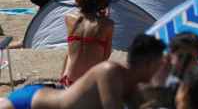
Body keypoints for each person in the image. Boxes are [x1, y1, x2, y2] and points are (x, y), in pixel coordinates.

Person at [0, 34, 167, 109]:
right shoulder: (110, 72)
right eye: (158, 65)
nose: (159, 71)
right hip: (29, 103)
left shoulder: (131, 84)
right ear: (147, 63)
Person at [60, 0, 114, 87]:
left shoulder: (69, 18)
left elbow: (70, 51)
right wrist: (104, 18)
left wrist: (62, 74)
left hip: (70, 78)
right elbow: (105, 56)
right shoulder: (107, 24)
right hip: (90, 81)